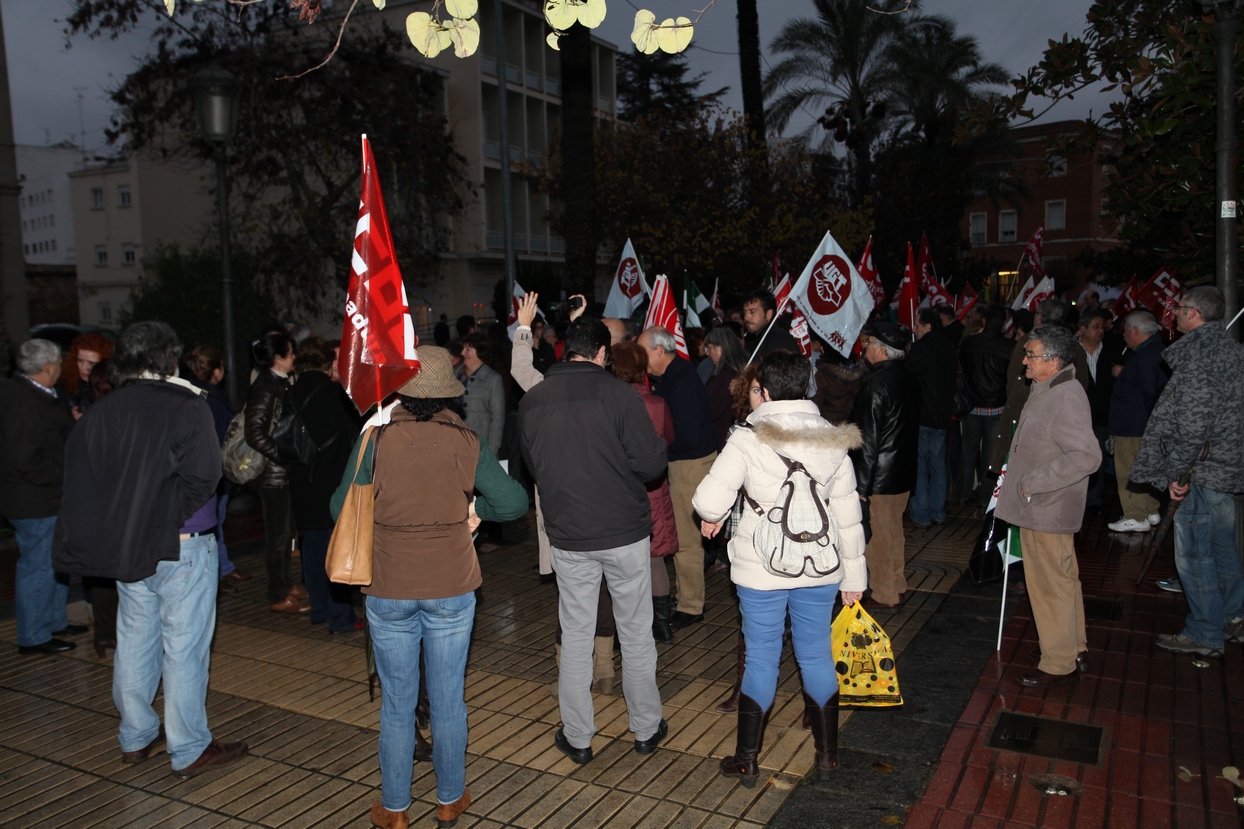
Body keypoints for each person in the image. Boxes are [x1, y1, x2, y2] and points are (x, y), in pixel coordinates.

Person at [332, 346, 527, 829]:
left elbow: (340, 510)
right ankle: (448, 799)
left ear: (401, 387)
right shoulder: (466, 440)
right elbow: (516, 502)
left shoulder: (373, 440)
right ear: (447, 393)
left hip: (388, 585)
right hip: (451, 585)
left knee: (398, 702)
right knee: (447, 698)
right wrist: (478, 513)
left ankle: (395, 809)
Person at [54, 321, 249, 776]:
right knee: (184, 647)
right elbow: (205, 475)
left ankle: (136, 734)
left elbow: (84, 480)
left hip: (127, 543)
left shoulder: (102, 410)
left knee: (136, 639)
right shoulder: (186, 403)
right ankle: (189, 747)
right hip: (182, 543)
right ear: (168, 358)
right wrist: (166, 517)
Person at [692, 349, 867, 784]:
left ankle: (747, 759)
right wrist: (856, 578)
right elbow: (847, 514)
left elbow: (709, 500)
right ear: (806, 387)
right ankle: (828, 755)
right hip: (822, 567)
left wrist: (713, 514)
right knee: (815, 655)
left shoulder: (748, 437)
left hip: (761, 570)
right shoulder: (832, 437)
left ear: (765, 390)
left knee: (762, 659)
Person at [519, 317, 669, 766]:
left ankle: (579, 736)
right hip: (623, 532)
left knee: (578, 635)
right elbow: (650, 465)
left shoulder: (534, 399)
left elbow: (532, 464)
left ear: (567, 350)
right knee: (636, 632)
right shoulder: (619, 394)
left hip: (569, 535)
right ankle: (645, 728)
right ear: (603, 353)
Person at [1130, 286, 1244, 657]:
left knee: (1194, 555)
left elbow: (1194, 422)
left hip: (1200, 470)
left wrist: (1177, 474)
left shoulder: (1200, 354)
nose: (1174, 314)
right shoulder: (1231, 349)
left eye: (1179, 308)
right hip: (1223, 468)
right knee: (1223, 548)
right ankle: (1231, 616)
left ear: (1193, 313)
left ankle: (1205, 631)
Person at [994, 324, 1100, 687]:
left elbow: (1086, 456)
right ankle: (1074, 647)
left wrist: (1033, 483)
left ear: (1053, 362)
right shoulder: (1049, 387)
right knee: (1064, 580)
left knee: (1049, 586)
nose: (1024, 360)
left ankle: (1058, 664)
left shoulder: (1064, 395)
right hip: (1043, 506)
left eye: (1031, 355)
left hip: (1046, 507)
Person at [0, 338, 81, 655]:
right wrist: (64, 478)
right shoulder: (20, 399)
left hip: (44, 495)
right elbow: (24, 458)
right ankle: (33, 635)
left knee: (55, 561)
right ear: (48, 368)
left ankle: (54, 621)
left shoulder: (37, 392)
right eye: (59, 364)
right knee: (39, 565)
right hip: (35, 498)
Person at [638, 325, 718, 630]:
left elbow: (685, 435)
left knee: (686, 541)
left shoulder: (680, 380)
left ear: (659, 351)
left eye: (643, 350)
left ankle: (691, 606)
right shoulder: (675, 375)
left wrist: (656, 450)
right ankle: (687, 597)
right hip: (686, 463)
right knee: (683, 538)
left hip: (690, 466)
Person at [287, 337, 364, 634]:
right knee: (338, 549)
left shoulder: (290, 393)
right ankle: (340, 616)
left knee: (312, 547)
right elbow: (355, 431)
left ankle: (318, 610)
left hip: (300, 479)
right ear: (325, 363)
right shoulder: (333, 393)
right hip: (331, 480)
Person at [611, 341, 679, 643]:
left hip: (617, 491)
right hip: (652, 488)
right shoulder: (656, 404)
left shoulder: (606, 403)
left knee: (617, 565)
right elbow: (668, 439)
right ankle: (662, 626)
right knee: (655, 561)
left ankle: (624, 629)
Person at [850, 322, 920, 611]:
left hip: (880, 475)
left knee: (878, 535)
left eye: (869, 342)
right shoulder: (908, 377)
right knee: (893, 531)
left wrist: (862, 486)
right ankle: (897, 583)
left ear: (881, 349)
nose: (865, 346)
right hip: (902, 470)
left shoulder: (876, 384)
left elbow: (867, 438)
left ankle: (884, 593)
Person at [245, 331, 307, 614]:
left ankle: (285, 583)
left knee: (285, 532)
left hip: (281, 473)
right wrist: (282, 455)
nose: (294, 357)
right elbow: (254, 433)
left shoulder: (277, 383)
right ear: (279, 358)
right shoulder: (266, 388)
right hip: (272, 476)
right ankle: (277, 593)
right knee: (278, 536)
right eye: (290, 352)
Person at [184, 345, 250, 592]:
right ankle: (217, 572)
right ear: (217, 370)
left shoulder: (191, 393)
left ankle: (223, 567)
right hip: (215, 472)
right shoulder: (209, 399)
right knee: (214, 522)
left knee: (217, 522)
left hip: (207, 471)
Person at [1107, 311, 1169, 534]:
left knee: (1129, 470)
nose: (1123, 335)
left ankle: (1135, 515)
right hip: (1140, 423)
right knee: (1145, 468)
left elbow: (1151, 391)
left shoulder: (1147, 354)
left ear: (1135, 330)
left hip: (1134, 425)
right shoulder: (1152, 350)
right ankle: (1150, 511)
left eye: (1125, 331)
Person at [956, 304, 1012, 505]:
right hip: (996, 405)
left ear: (985, 321)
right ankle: (986, 497)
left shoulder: (969, 343)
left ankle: (963, 492)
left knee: (968, 450)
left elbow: (963, 367)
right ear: (1003, 323)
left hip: (971, 405)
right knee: (990, 453)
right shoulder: (1008, 346)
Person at [906, 308, 957, 527]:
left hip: (923, 415)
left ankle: (921, 513)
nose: (914, 329)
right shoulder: (949, 346)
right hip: (943, 414)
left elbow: (906, 374)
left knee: (920, 466)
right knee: (938, 465)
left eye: (916, 325)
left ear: (928, 326)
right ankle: (938, 511)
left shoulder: (922, 348)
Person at [703, 325, 748, 451]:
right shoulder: (730, 372)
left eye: (711, 347)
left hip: (723, 442)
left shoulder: (726, 376)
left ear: (722, 347)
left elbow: (712, 409)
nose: (707, 352)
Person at [459, 332, 505, 453]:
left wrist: (491, 452)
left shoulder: (493, 379)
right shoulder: (454, 374)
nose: (463, 353)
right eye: (463, 348)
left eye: (468, 349)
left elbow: (497, 419)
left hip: (480, 448)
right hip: (456, 446)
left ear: (480, 353)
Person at [61, 332, 113, 419]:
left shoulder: (113, 388)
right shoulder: (67, 387)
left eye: (91, 363)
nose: (84, 368)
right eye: (80, 361)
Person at [741, 289, 799, 357]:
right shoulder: (757, 338)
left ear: (768, 314)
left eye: (752, 311)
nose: (746, 318)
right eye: (745, 312)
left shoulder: (779, 339)